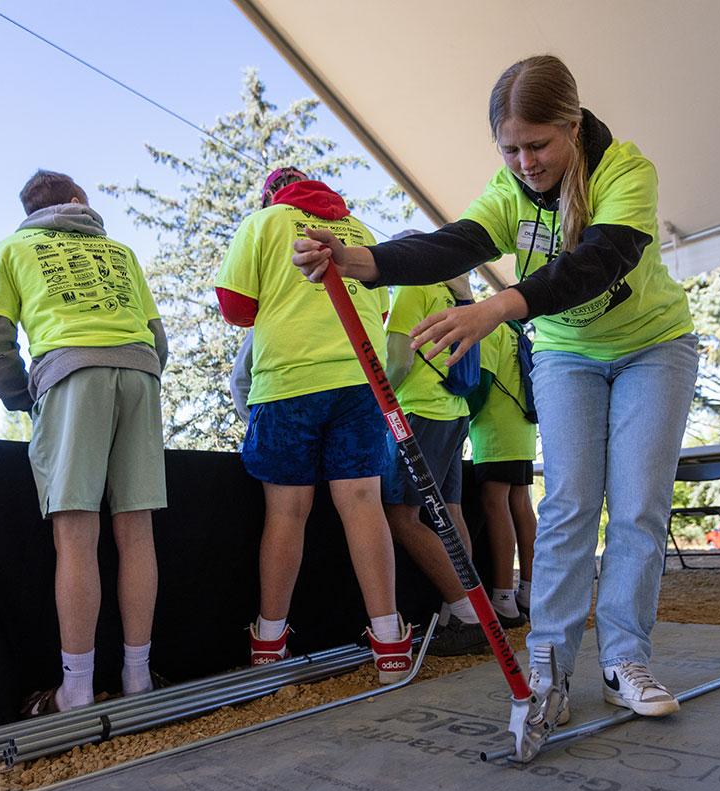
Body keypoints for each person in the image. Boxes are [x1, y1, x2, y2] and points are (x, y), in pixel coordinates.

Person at [293, 55, 698, 720]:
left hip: (654, 347)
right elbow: (450, 246)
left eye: (537, 145)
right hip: (569, 352)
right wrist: (360, 261)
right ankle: (549, 666)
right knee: (568, 503)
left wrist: (495, 308)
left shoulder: (626, 170)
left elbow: (598, 264)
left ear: (571, 126)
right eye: (509, 148)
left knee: (636, 508)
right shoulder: (509, 190)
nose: (524, 162)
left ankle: (626, 660)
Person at [0, 170, 168, 713]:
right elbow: (159, 336)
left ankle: (76, 690)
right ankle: (138, 677)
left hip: (70, 375)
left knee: (76, 535)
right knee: (137, 529)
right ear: (80, 202)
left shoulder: (9, 248)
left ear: (28, 210)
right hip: (140, 374)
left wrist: (23, 396)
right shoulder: (120, 253)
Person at [215, 167, 412, 684]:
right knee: (364, 505)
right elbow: (382, 306)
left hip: (288, 382)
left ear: (270, 196)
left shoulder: (265, 222)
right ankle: (390, 642)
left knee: (287, 511)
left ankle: (269, 643)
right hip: (360, 378)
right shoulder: (360, 231)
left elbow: (235, 308)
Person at [379, 255, 485, 657]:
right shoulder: (453, 292)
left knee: (401, 516)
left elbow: (398, 360)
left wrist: (374, 407)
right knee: (451, 512)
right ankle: (461, 611)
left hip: (419, 410)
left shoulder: (413, 286)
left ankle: (468, 614)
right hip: (455, 412)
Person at [467, 322, 538, 631]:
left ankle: (503, 597)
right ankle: (529, 592)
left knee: (495, 504)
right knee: (521, 505)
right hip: (522, 428)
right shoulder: (517, 333)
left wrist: (458, 412)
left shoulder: (489, 329)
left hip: (495, 426)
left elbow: (480, 383)